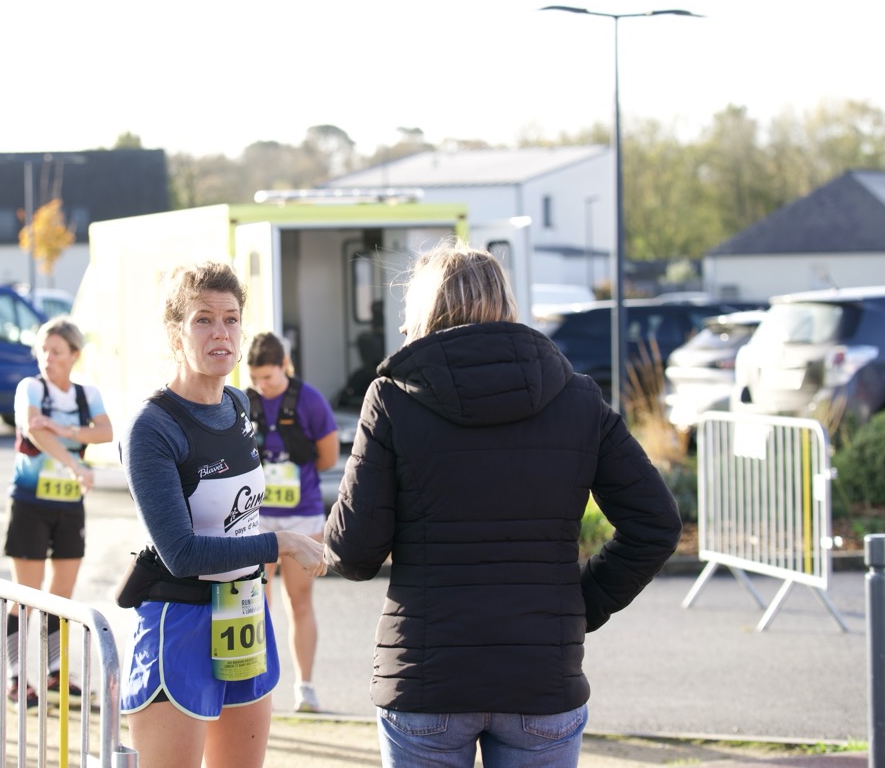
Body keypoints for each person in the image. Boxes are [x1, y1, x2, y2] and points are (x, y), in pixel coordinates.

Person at [324, 242, 682, 768]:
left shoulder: (392, 399)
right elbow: (657, 524)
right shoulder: (578, 398)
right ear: (507, 303)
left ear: (422, 311)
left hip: (426, 677)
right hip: (541, 676)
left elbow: (353, 555)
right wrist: (580, 604)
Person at [118, 260, 327, 768]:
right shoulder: (151, 427)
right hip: (181, 617)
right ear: (175, 334)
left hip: (243, 611)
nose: (221, 333)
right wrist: (282, 543)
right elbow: (181, 553)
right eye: (203, 320)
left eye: (231, 319)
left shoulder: (237, 404)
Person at [4, 316, 113, 708]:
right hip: (30, 502)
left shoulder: (86, 395)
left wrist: (65, 430)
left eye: (56, 351)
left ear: (74, 355)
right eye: (43, 350)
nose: (47, 358)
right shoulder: (31, 387)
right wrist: (75, 464)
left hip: (69, 505)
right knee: (25, 593)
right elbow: (34, 430)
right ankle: (16, 677)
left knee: (62, 595)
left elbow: (105, 432)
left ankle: (55, 673)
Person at [244, 331, 338, 713]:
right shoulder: (245, 401)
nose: (261, 386)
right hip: (256, 517)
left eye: (268, 377)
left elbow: (328, 458)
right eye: (254, 378)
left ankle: (305, 687)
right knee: (254, 603)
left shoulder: (310, 401)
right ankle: (255, 686)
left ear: (284, 366)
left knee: (299, 601)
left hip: (302, 517)